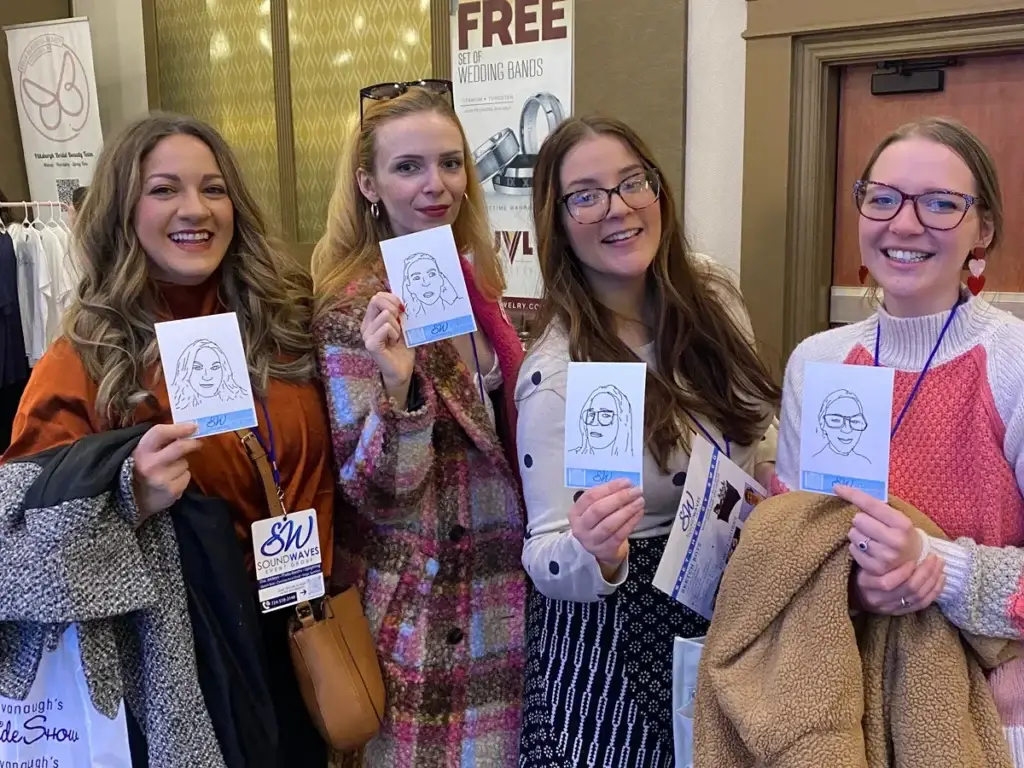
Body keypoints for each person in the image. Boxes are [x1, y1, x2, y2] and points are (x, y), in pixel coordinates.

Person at [2, 113, 335, 766]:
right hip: (183, 663)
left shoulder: (285, 329)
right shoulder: (84, 361)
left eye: (213, 188)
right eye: (164, 190)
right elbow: (20, 548)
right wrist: (129, 496)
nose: (195, 210)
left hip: (301, 629)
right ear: (122, 210)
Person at [514, 114, 780, 767]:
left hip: (728, 601)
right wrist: (592, 548)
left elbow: (755, 425)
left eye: (633, 182)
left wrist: (780, 482)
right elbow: (544, 554)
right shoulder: (558, 374)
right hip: (614, 647)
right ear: (558, 222)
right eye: (586, 196)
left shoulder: (710, 296)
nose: (618, 207)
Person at [772, 116, 1024, 762]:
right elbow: (793, 555)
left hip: (989, 716)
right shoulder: (818, 362)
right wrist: (857, 589)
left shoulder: (1013, 362)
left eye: (940, 204)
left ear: (982, 230)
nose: (905, 224)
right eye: (883, 198)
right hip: (837, 707)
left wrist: (931, 566)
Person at [311, 82, 526, 766]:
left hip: (503, 597)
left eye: (450, 162)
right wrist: (398, 387)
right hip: (429, 616)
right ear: (368, 184)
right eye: (408, 167)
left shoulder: (475, 286)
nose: (437, 185)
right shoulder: (352, 310)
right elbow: (375, 492)